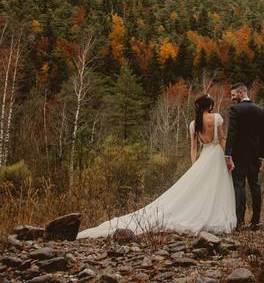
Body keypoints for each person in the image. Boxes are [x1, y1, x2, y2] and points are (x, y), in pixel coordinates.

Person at [76, 94, 236, 238]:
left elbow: (193, 148)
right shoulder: (216, 118)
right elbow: (222, 140)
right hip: (216, 157)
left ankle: (203, 214)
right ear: (209, 106)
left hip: (203, 158)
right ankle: (214, 216)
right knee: (217, 188)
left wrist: (194, 165)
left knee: (198, 189)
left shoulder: (194, 124)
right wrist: (229, 158)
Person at [224, 83, 264, 229]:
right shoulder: (260, 110)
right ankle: (256, 221)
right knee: (255, 185)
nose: (232, 98)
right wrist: (262, 156)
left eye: (233, 95)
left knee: (239, 186)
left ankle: (240, 221)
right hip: (255, 155)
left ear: (242, 92)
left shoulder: (235, 110)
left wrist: (227, 154)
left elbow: (232, 133)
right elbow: (263, 135)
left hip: (239, 154)